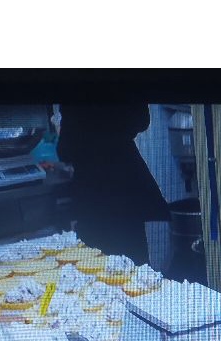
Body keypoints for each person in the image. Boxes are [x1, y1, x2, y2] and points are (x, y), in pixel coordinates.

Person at [56, 103, 170, 261]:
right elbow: (142, 121)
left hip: (91, 189)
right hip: (124, 182)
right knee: (134, 260)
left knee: (94, 263)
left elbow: (65, 150)